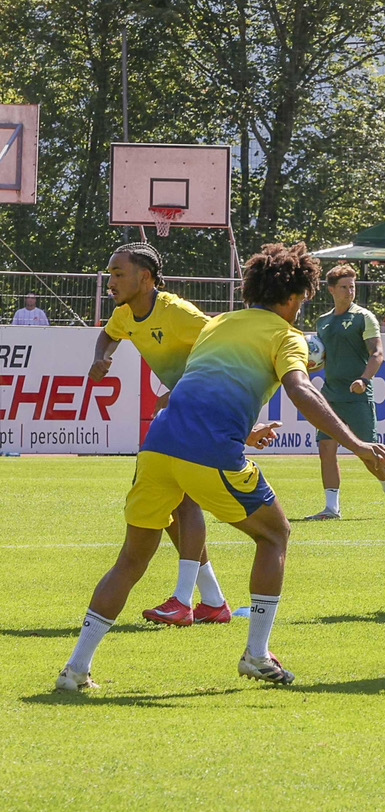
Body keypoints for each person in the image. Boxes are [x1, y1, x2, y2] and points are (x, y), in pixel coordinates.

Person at [56, 242, 385, 692]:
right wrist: (357, 443)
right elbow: (301, 390)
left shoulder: (217, 325)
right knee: (275, 534)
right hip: (208, 449)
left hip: (158, 446)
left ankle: (76, 668)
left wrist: (247, 430)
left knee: (131, 558)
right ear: (295, 298)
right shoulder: (285, 335)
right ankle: (256, 654)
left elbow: (203, 385)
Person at [91, 242, 232, 626]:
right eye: (110, 273)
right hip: (183, 411)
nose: (111, 281)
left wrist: (178, 391)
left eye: (119, 273)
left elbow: (222, 348)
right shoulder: (125, 314)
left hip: (203, 407)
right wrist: (101, 357)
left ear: (146, 277)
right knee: (170, 504)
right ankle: (213, 601)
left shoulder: (177, 312)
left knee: (182, 503)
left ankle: (185, 601)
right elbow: (108, 334)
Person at [302, 265, 385, 520]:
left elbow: (377, 354)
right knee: (326, 448)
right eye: (344, 287)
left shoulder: (363, 317)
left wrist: (364, 380)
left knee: (367, 453)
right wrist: (310, 365)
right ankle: (331, 508)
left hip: (357, 396)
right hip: (331, 396)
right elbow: (324, 359)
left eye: (353, 286)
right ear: (331, 290)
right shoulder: (323, 322)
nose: (350, 291)